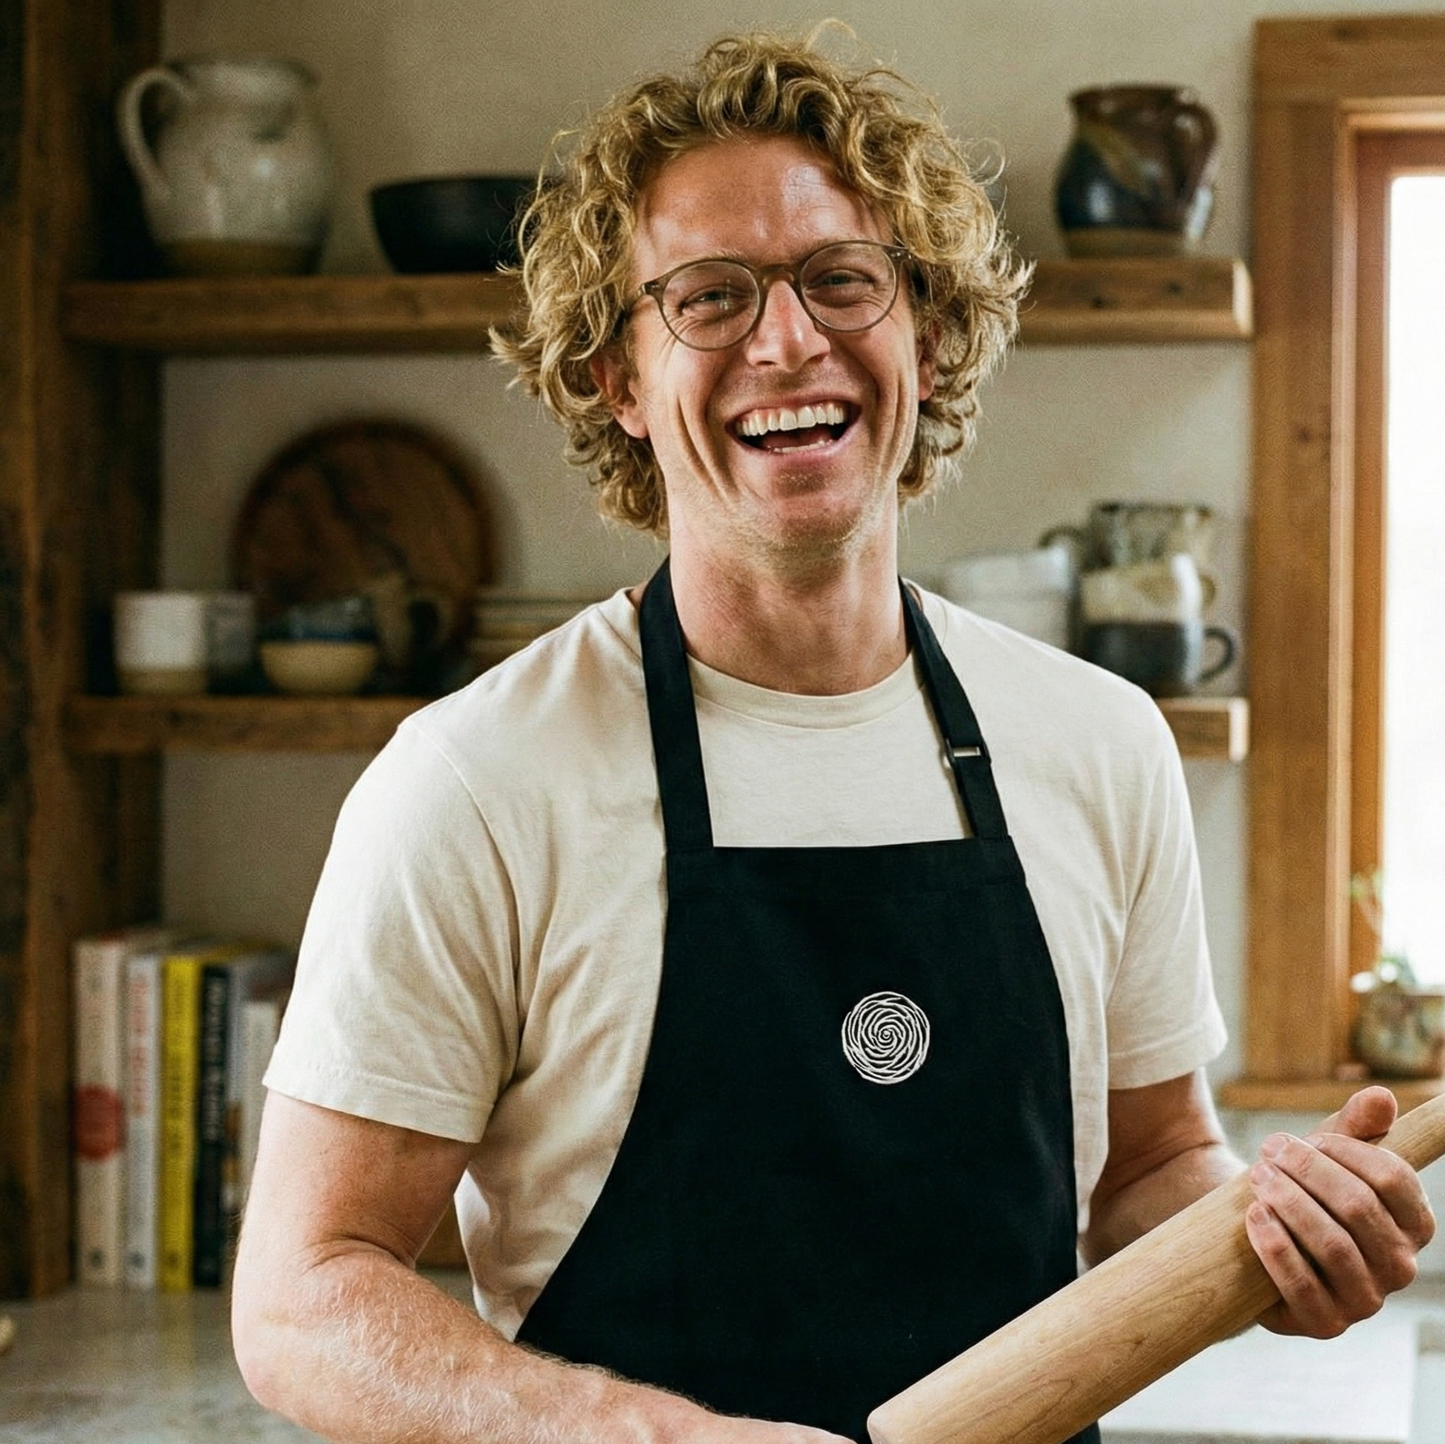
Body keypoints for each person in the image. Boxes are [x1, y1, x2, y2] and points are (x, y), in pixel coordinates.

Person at [231, 30, 1434, 1444]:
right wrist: (657, 1440)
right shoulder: (477, 781)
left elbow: (1155, 1167)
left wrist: (1277, 1237)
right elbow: (303, 1297)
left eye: (839, 279)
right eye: (709, 296)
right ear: (618, 376)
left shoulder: (1101, 745)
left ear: (924, 333)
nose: (786, 339)